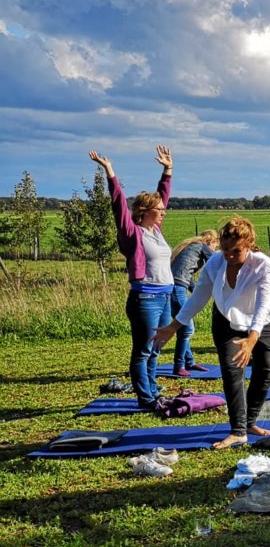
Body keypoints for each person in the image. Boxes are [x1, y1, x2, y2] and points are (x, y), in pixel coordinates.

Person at [152, 217, 270, 449]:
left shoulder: (263, 265)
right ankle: (238, 431)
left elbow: (262, 305)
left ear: (249, 245)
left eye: (236, 251)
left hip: (262, 323)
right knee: (232, 372)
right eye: (225, 249)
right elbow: (199, 297)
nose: (229, 255)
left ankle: (250, 421)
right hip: (226, 320)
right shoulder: (215, 263)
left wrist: (252, 339)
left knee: (265, 371)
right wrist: (174, 326)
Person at [90, 146, 174, 411]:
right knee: (143, 350)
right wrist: (110, 173)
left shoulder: (156, 231)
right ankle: (146, 398)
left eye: (162, 209)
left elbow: (163, 195)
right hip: (145, 297)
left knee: (156, 348)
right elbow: (119, 207)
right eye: (158, 209)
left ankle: (152, 388)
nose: (163, 211)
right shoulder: (133, 232)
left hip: (165, 296)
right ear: (144, 211)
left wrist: (167, 170)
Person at [169, 230, 219, 376]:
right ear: (211, 241)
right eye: (216, 245)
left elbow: (185, 273)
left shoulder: (191, 247)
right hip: (176, 288)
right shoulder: (202, 246)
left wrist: (196, 291)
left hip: (175, 286)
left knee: (183, 326)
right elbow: (216, 261)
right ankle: (178, 366)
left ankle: (189, 362)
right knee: (186, 327)